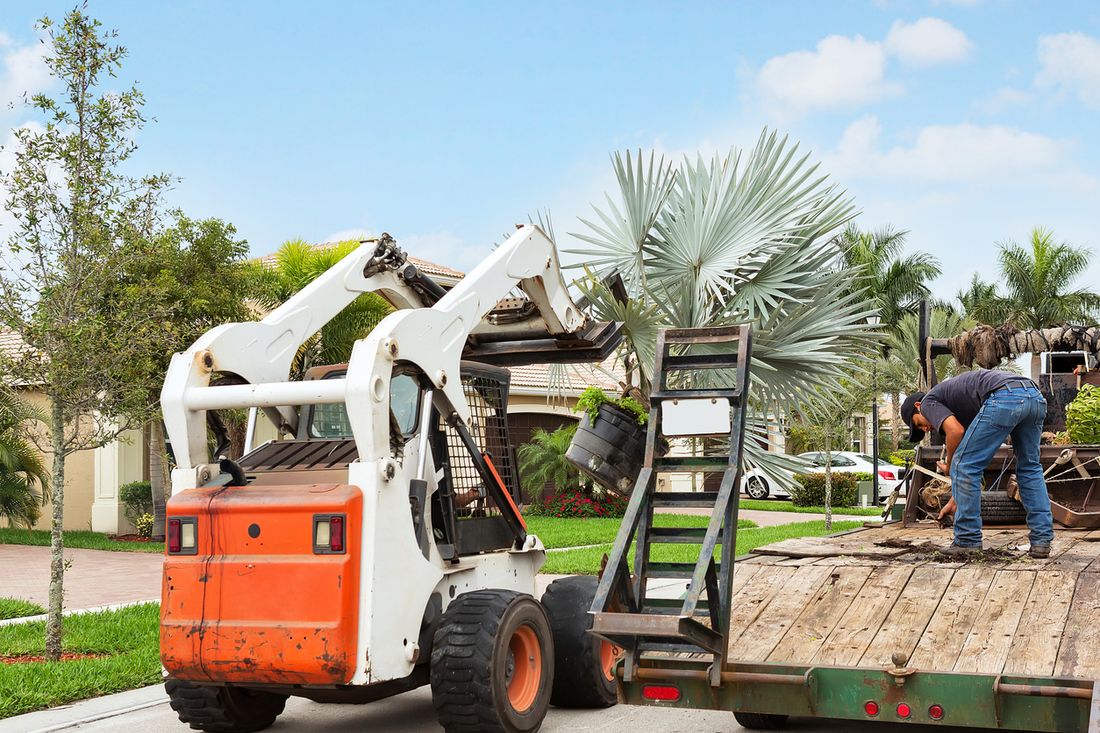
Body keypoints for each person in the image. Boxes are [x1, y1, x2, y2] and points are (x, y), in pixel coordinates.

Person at [900, 368, 1054, 558]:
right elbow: (974, 463)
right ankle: (1041, 541)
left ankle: (967, 540)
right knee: (1030, 468)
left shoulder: (927, 402)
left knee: (961, 465)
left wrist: (950, 467)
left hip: (1005, 396)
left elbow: (955, 433)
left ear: (917, 406)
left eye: (918, 424)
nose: (925, 428)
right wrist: (956, 499)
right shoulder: (964, 407)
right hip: (1033, 395)